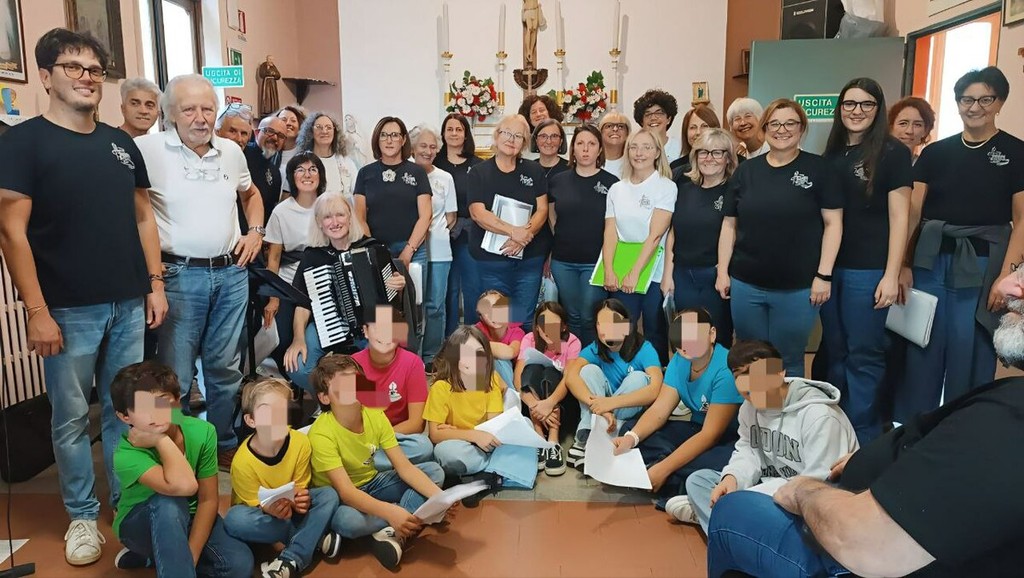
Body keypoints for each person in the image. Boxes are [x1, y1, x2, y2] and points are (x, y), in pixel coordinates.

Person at [704, 268, 1024, 578]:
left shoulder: (1005, 419)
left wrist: (801, 490)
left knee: (731, 512)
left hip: (834, 532)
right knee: (707, 483)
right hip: (831, 501)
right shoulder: (1001, 404)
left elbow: (865, 542)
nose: (1006, 284)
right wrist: (734, 476)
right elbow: (746, 449)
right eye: (1017, 269)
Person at [0, 28, 165, 567]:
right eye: (73, 67)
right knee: (72, 418)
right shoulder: (21, 143)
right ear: (46, 77)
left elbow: (143, 217)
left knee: (128, 412)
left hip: (128, 302)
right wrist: (37, 312)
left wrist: (154, 283)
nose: (87, 77)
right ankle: (81, 515)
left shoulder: (120, 144)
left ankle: (128, 502)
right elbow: (12, 233)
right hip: (67, 310)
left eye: (94, 69)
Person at [135, 74, 265, 469]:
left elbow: (251, 194)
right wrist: (153, 279)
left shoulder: (231, 151)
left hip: (231, 274)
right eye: (189, 109)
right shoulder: (147, 149)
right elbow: (134, 213)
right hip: (178, 277)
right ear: (170, 114)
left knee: (225, 369)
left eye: (208, 108)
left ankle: (221, 441)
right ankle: (173, 449)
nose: (200, 117)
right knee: (172, 374)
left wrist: (255, 232)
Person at [897, 66, 1024, 422]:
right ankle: (915, 428)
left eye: (985, 99)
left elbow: (1021, 220)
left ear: (999, 103)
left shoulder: (1016, 152)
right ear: (957, 103)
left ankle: (964, 427)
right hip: (930, 260)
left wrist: (1006, 277)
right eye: (967, 99)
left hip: (984, 263)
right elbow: (913, 213)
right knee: (922, 341)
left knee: (969, 345)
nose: (975, 107)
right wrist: (903, 264)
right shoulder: (935, 153)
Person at [674, 339, 858, 535]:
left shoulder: (820, 415)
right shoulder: (748, 408)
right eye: (739, 376)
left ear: (780, 373)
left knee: (801, 522)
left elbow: (820, 484)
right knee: (698, 480)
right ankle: (730, 527)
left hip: (809, 499)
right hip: (768, 487)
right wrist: (732, 478)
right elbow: (747, 451)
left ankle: (722, 524)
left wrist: (749, 496)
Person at [717, 98, 843, 378]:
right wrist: (723, 271)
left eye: (790, 123)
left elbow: (833, 224)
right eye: (774, 124)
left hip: (797, 288)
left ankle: (786, 408)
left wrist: (824, 275)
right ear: (765, 129)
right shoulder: (747, 171)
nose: (781, 130)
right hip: (747, 284)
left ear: (801, 128)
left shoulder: (820, 169)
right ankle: (760, 407)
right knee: (752, 358)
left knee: (788, 359)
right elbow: (729, 224)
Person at [820, 78, 912, 445]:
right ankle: (835, 430)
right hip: (831, 269)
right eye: (849, 104)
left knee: (864, 354)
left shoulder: (892, 152)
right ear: (840, 109)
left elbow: (900, 218)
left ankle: (863, 437)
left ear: (878, 109)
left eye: (866, 104)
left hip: (869, 270)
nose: (856, 111)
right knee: (835, 350)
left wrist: (891, 274)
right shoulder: (832, 152)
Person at [110, 361, 253, 577]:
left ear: (177, 401)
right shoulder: (126, 451)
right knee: (169, 502)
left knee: (239, 565)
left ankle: (156, 558)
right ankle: (155, 555)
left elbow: (207, 500)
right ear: (125, 417)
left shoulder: (203, 431)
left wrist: (190, 557)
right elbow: (184, 486)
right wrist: (161, 440)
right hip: (142, 524)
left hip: (191, 518)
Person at [307, 355, 447, 570]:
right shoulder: (321, 434)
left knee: (434, 471)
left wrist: (441, 499)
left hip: (374, 482)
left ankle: (392, 528)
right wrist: (391, 512)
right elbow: (346, 492)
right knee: (348, 521)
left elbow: (404, 467)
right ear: (325, 397)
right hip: (344, 497)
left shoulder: (375, 414)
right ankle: (402, 519)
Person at [612, 308, 741, 503]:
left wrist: (665, 468)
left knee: (707, 465)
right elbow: (659, 410)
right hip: (695, 429)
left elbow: (710, 435)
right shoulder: (679, 361)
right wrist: (631, 438)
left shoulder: (725, 369)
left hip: (728, 439)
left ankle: (665, 473)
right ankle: (668, 474)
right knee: (630, 429)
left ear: (712, 334)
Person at [284, 193, 406, 396]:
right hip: (328, 324)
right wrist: (298, 338)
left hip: (372, 326)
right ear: (319, 223)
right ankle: (338, 399)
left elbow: (393, 302)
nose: (335, 222)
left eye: (340, 215)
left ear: (350, 217)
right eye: (327, 217)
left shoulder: (372, 248)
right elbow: (302, 304)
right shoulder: (313, 256)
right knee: (297, 367)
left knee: (386, 362)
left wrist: (398, 285)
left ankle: (361, 399)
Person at [224, 378, 342, 577]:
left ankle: (291, 558)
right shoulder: (242, 462)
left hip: (292, 510)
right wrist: (271, 509)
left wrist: (300, 500)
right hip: (263, 517)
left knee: (328, 495)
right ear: (251, 420)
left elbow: (300, 488)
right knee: (234, 519)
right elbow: (253, 504)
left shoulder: (301, 443)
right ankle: (313, 538)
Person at [426, 325, 538, 495]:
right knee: (445, 452)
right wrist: (473, 435)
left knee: (526, 424)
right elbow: (435, 434)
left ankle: (486, 474)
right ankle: (498, 470)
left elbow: (494, 426)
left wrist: (457, 431)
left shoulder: (489, 380)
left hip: (487, 442)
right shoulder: (441, 387)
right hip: (463, 444)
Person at [468, 115, 552, 327]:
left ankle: (523, 350)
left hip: (529, 260)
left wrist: (524, 235)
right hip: (491, 262)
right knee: (496, 319)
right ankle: (500, 351)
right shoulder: (479, 172)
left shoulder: (534, 171)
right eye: (507, 133)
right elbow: (477, 213)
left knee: (524, 318)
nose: (511, 139)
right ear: (496, 136)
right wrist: (514, 232)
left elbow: (542, 209)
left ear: (524, 143)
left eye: (518, 136)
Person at [601, 128, 676, 362]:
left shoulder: (666, 186)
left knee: (654, 330)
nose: (639, 153)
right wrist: (609, 270)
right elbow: (610, 232)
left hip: (653, 271)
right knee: (622, 329)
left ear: (657, 152)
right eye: (633, 147)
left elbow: (655, 235)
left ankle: (656, 376)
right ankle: (624, 374)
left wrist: (635, 272)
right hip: (621, 270)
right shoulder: (617, 189)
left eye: (646, 147)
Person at [564, 299, 664, 469]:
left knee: (639, 378)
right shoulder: (595, 348)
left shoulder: (644, 348)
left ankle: (595, 436)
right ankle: (591, 433)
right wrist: (600, 408)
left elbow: (655, 389)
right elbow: (571, 377)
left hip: (628, 412)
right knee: (587, 371)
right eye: (602, 324)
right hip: (602, 409)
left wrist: (610, 403)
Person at [662, 129, 737, 347]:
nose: (709, 158)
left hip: (715, 277)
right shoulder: (683, 188)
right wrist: (668, 274)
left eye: (717, 152)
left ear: (728, 158)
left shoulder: (733, 190)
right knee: (688, 339)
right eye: (703, 152)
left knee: (717, 338)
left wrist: (723, 273)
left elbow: (733, 232)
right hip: (683, 275)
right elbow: (672, 232)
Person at [548, 123, 618, 344]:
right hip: (563, 261)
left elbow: (613, 226)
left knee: (590, 316)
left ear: (600, 149)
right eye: (580, 143)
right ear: (573, 149)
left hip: (595, 262)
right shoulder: (558, 181)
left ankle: (592, 358)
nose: (585, 149)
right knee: (572, 315)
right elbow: (552, 216)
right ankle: (574, 357)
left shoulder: (612, 184)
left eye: (591, 144)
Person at [351, 304, 435, 469]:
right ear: (366, 331)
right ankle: (381, 466)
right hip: (362, 437)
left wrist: (382, 440)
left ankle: (365, 465)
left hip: (397, 435)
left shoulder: (412, 363)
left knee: (423, 446)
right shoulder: (352, 365)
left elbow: (417, 423)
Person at [263, 152, 325, 370]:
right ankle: (291, 378)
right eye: (300, 170)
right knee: (282, 336)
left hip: (323, 282)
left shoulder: (328, 205)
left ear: (321, 175)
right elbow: (274, 258)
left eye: (313, 169)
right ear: (291, 176)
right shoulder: (281, 211)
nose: (307, 175)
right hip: (289, 285)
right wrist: (273, 298)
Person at [354, 116, 432, 271]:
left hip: (413, 249)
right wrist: (373, 249)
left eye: (395, 135)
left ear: (403, 140)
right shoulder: (365, 173)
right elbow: (359, 217)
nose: (389, 141)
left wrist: (408, 252)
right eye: (383, 135)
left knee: (412, 288)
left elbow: (426, 216)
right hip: (377, 249)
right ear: (377, 139)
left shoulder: (417, 172)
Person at [514, 302, 582, 476]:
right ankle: (538, 438)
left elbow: (569, 379)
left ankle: (553, 441)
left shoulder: (572, 341)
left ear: (563, 326)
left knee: (551, 372)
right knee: (532, 369)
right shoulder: (529, 339)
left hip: (561, 401)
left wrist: (549, 403)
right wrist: (535, 406)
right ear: (537, 327)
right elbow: (518, 378)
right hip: (533, 403)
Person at [409, 124, 457, 364]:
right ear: (412, 148)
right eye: (423, 146)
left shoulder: (445, 177)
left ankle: (431, 357)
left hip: (439, 251)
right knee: (413, 307)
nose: (428, 151)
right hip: (411, 250)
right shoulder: (405, 174)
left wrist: (433, 231)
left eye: (432, 147)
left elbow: (451, 217)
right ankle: (411, 358)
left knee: (435, 306)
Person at [435, 113, 484, 333]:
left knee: (473, 288)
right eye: (450, 129)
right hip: (441, 235)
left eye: (459, 129)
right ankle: (449, 339)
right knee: (449, 290)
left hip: (470, 234)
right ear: (443, 134)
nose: (454, 133)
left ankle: (474, 336)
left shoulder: (478, 165)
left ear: (466, 134)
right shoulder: (435, 163)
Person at [293, 111, 358, 198]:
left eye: (329, 127)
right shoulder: (300, 163)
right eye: (318, 127)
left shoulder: (347, 163)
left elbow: (357, 195)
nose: (324, 131)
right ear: (310, 132)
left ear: (335, 132)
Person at [475, 289, 525, 393]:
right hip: (483, 380)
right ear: (481, 317)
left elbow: (510, 352)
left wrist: (480, 345)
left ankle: (510, 396)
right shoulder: (477, 330)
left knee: (499, 360)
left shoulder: (516, 331)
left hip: (510, 377)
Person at [243, 114, 288, 229]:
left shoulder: (275, 173)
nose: (275, 138)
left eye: (281, 136)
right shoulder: (241, 155)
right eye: (269, 131)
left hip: (258, 234)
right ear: (257, 133)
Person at [669, 105, 721, 175]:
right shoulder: (676, 167)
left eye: (704, 126)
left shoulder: (726, 163)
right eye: (693, 127)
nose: (698, 132)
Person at [633, 89, 681, 161]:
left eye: (658, 113)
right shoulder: (635, 149)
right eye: (648, 114)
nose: (653, 118)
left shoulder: (680, 149)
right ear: (642, 122)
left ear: (668, 119)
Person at [888, 96, 936, 164]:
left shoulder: (927, 167)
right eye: (903, 123)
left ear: (926, 131)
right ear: (891, 127)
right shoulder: (875, 163)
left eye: (917, 125)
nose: (909, 131)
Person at [276, 104, 307, 186]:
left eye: (293, 121)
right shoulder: (268, 152)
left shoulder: (307, 154)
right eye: (283, 120)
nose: (288, 123)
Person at [531, 118, 569, 182]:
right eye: (543, 136)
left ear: (561, 141)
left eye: (554, 136)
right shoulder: (528, 169)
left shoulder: (572, 169)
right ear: (536, 140)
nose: (549, 141)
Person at [599, 111, 631, 178]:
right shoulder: (592, 161)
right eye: (609, 126)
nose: (615, 129)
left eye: (621, 126)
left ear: (627, 133)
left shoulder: (634, 161)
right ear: (600, 132)